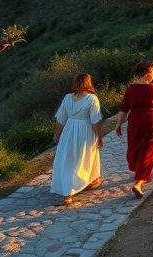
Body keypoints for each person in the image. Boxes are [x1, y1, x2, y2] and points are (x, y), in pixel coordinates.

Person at [115, 58, 153, 198]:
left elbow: (124, 109)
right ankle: (140, 182)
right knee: (148, 150)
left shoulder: (130, 89)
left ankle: (139, 171)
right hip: (151, 121)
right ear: (147, 73)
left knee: (136, 147)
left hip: (135, 122)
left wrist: (118, 124)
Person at [51, 73, 104, 206]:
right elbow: (95, 121)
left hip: (69, 130)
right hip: (85, 130)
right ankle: (68, 193)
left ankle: (89, 181)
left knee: (69, 158)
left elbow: (61, 119)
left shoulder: (67, 98)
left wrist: (57, 134)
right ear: (88, 83)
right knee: (83, 158)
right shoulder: (92, 99)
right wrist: (99, 137)